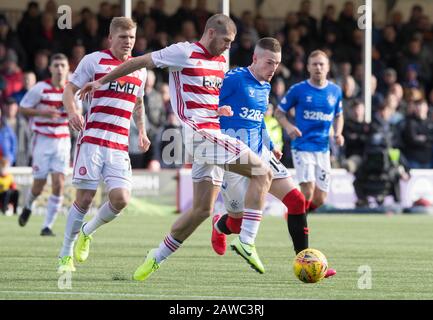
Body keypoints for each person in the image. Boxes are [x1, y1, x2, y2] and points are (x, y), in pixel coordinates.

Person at [79, 14, 273, 280]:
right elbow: (140, 61)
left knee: (203, 210)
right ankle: (247, 241)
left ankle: (155, 257)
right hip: (198, 136)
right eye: (226, 41)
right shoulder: (183, 52)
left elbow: (200, 100)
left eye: (232, 42)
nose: (229, 46)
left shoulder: (219, 62)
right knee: (262, 171)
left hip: (211, 131)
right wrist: (102, 81)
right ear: (211, 33)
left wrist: (219, 110)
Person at [210, 38, 335, 278]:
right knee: (235, 223)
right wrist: (216, 111)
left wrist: (271, 145)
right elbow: (206, 102)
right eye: (269, 63)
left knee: (297, 201)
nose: (273, 69)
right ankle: (219, 224)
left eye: (277, 64)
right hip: (232, 161)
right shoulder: (234, 79)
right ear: (255, 59)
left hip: (261, 155)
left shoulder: (265, 86)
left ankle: (307, 260)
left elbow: (258, 123)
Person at [57, 17, 150, 273]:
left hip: (119, 144)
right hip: (93, 141)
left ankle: (88, 231)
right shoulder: (94, 60)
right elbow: (69, 89)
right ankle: (65, 254)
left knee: (121, 199)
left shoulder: (140, 69)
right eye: (122, 37)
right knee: (84, 199)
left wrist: (141, 131)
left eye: (131, 37)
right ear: (111, 38)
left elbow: (139, 103)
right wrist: (72, 111)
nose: (127, 42)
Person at [275, 50, 344, 213]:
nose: (318, 68)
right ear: (308, 67)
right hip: (302, 146)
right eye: (314, 64)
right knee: (308, 190)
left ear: (327, 67)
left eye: (321, 64)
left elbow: (339, 115)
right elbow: (279, 112)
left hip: (323, 148)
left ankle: (292, 214)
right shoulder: (298, 90)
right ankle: (298, 224)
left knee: (320, 199)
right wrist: (289, 127)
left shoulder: (335, 91)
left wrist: (338, 133)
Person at [18, 53, 74, 236]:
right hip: (42, 140)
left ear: (68, 69)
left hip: (63, 141)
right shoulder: (40, 88)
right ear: (50, 68)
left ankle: (47, 226)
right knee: (39, 184)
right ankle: (28, 205)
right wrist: (43, 113)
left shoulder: (73, 89)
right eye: (56, 65)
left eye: (62, 66)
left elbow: (78, 110)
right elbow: (23, 107)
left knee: (58, 183)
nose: (59, 69)